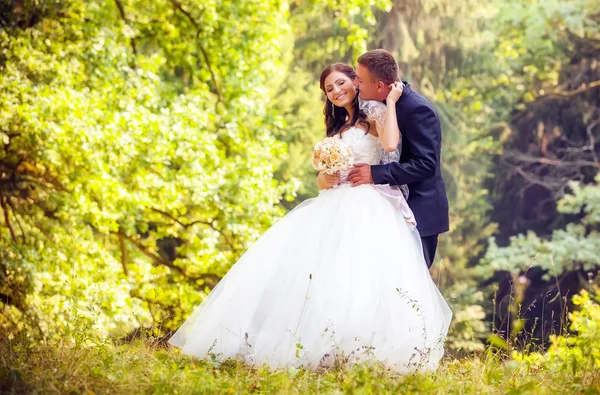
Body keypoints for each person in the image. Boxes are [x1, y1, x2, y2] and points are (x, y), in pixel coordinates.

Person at [168, 63, 451, 372]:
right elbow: (325, 174)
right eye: (329, 89)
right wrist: (323, 178)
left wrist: (392, 104)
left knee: (362, 275)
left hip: (368, 203)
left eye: (341, 83)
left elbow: (390, 145)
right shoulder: (337, 127)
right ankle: (322, 347)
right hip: (334, 202)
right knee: (321, 274)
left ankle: (365, 350)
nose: (336, 91)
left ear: (356, 83)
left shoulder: (375, 113)